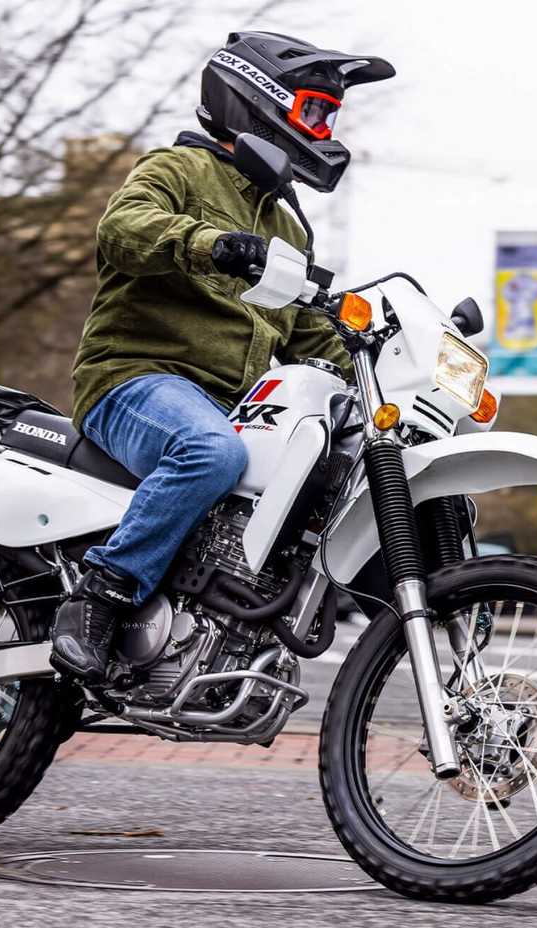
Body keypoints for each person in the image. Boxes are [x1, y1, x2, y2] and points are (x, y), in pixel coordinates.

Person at [50, 32, 396, 683]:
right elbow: (121, 230)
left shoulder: (290, 228)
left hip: (229, 405)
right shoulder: (176, 171)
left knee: (343, 460)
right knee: (212, 453)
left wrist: (378, 373)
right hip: (135, 381)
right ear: (255, 101)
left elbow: (307, 337)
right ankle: (99, 596)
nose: (325, 129)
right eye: (315, 111)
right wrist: (213, 244)